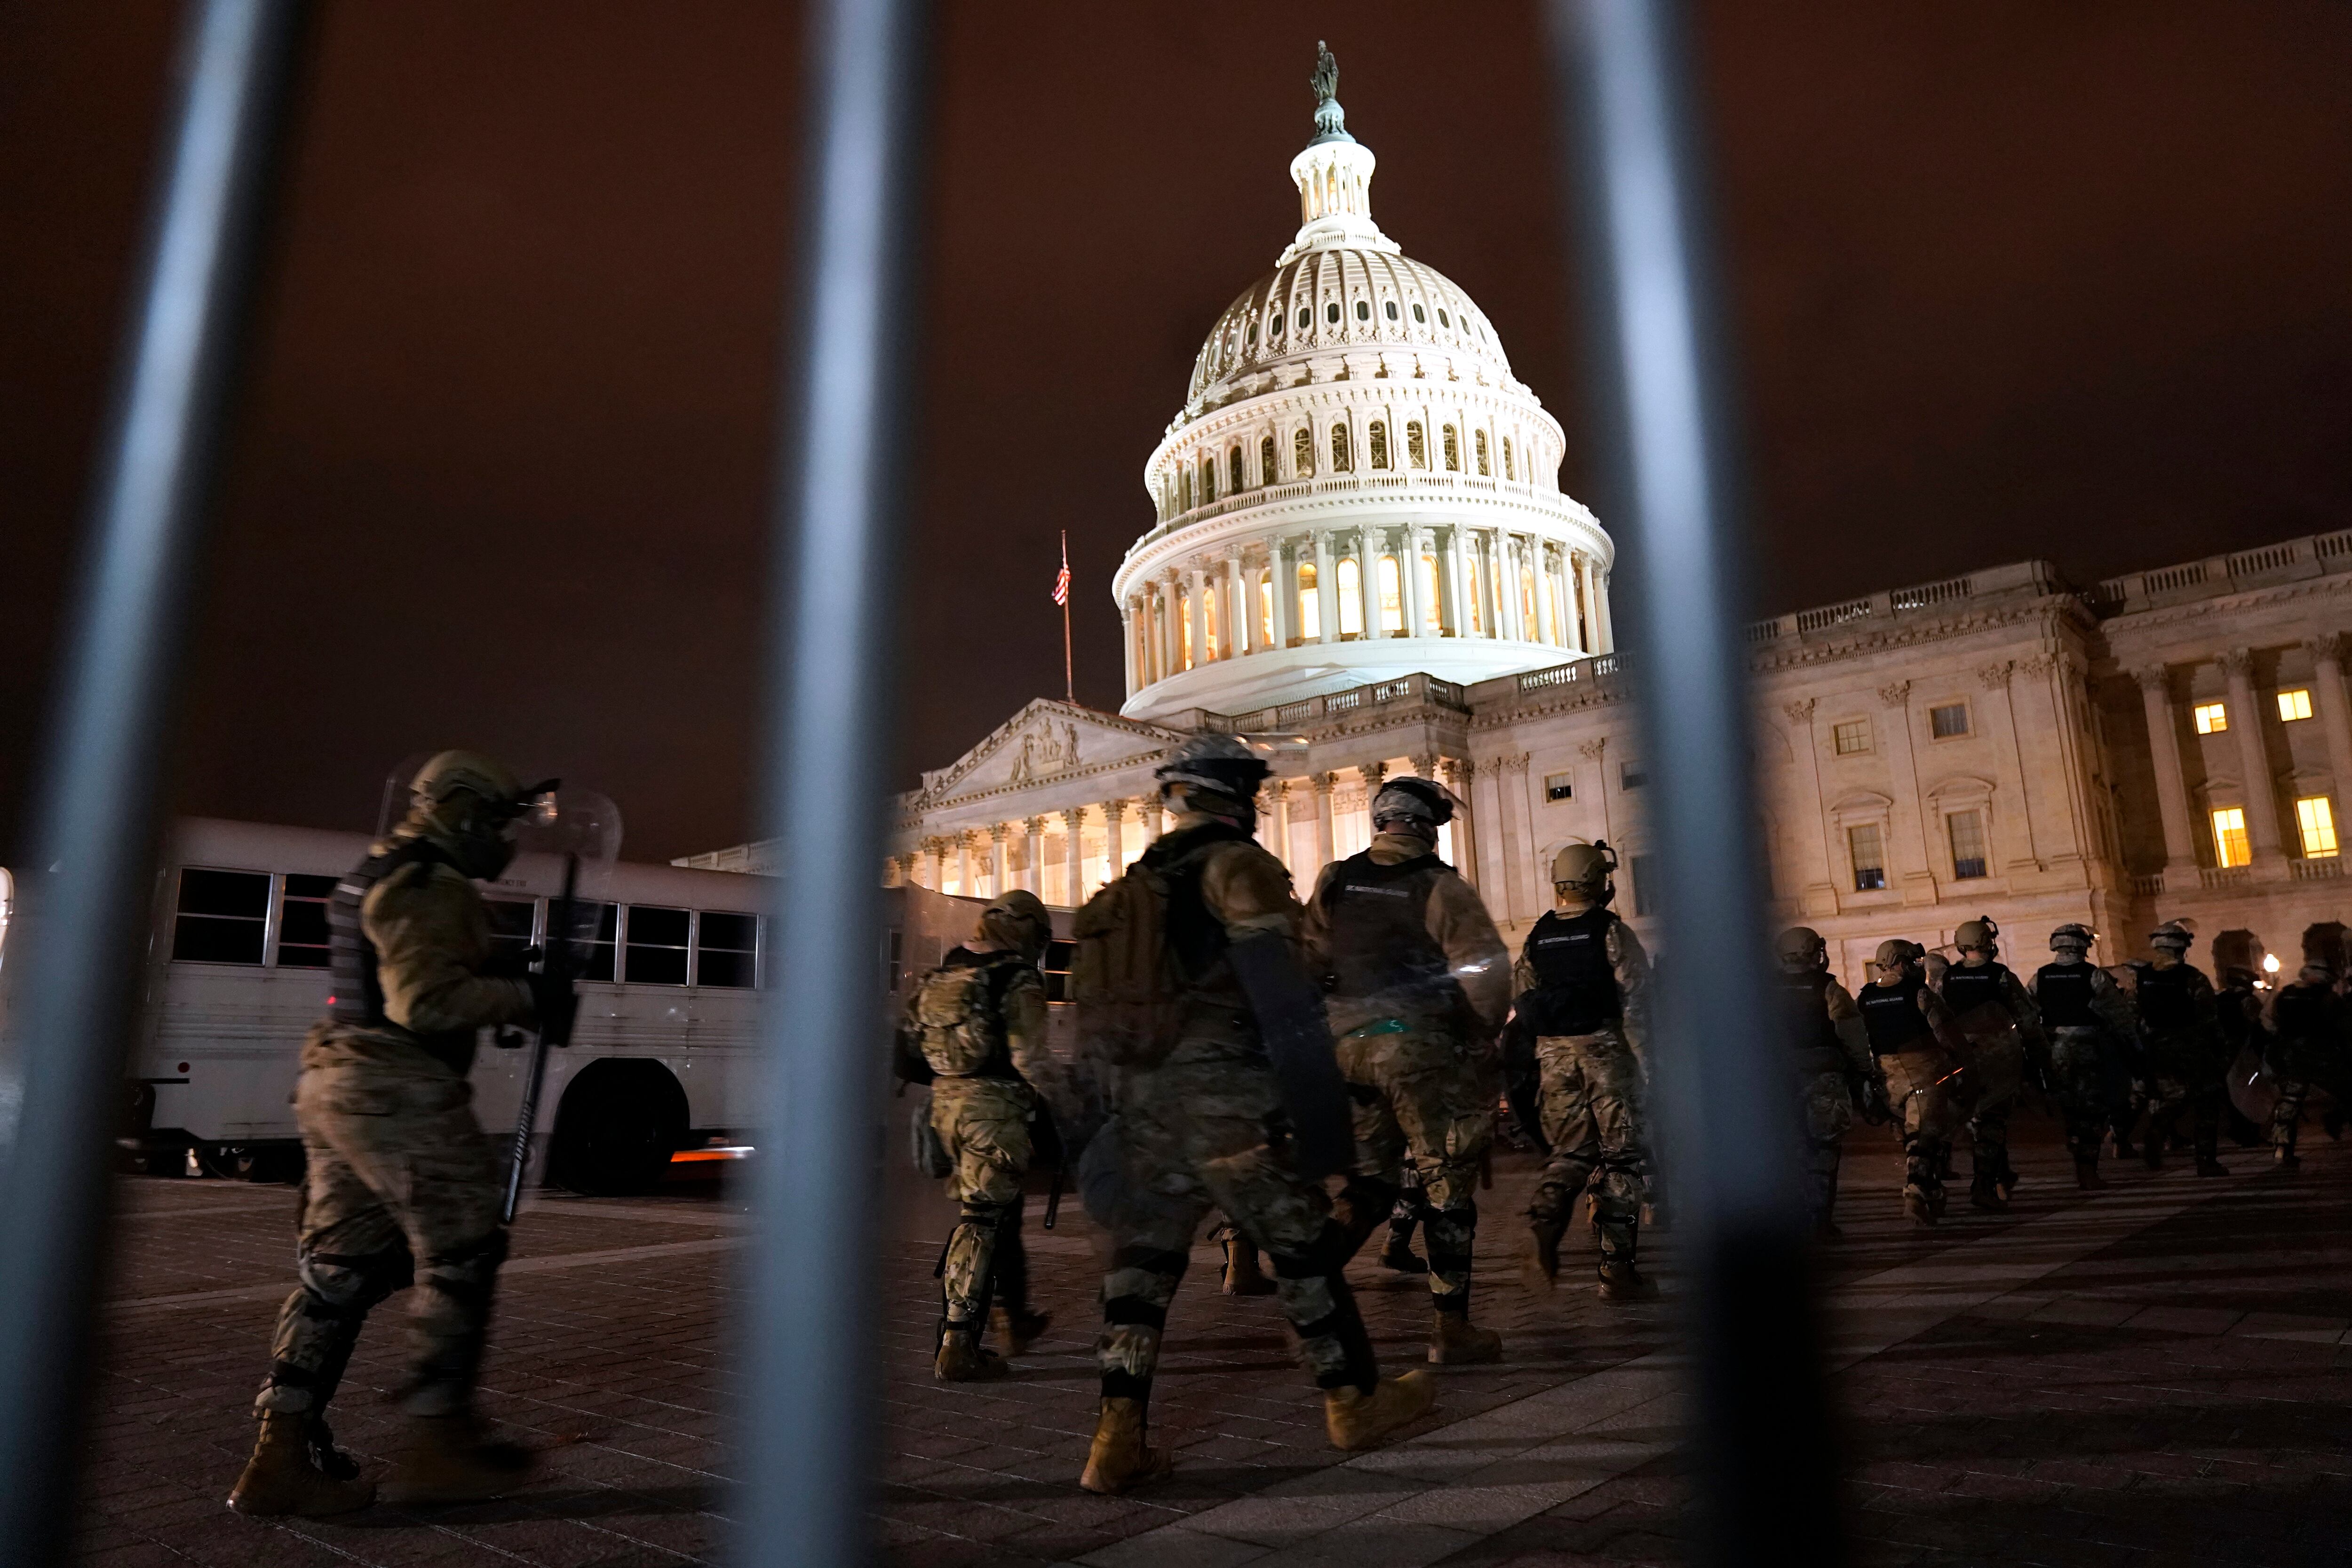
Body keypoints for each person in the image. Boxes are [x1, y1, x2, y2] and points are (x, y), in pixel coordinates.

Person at [1075, 734, 1431, 1494]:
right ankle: (1353, 1399)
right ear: (1238, 794)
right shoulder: (1237, 867)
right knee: (1302, 1247)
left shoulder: (1139, 880)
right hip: (1225, 1098)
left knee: (1141, 1267)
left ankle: (1115, 1440)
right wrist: (1323, 1117)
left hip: (1147, 1101)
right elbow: (1283, 996)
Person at [229, 752, 562, 1517]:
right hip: (396, 1086)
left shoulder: (379, 868)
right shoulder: (432, 879)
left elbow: (394, 976)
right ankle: (439, 1441)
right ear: (463, 810)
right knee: (464, 1249)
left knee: (336, 1272)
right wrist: (528, 994)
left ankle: (279, 1453)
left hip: (338, 1079)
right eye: (498, 819)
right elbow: (427, 1003)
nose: (504, 838)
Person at [1303, 776, 1513, 1363]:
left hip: (1348, 1049)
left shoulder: (1335, 878)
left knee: (1370, 1184)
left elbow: (1308, 954)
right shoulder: (1439, 886)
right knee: (1446, 1187)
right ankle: (1451, 1330)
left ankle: (1312, 1286)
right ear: (1425, 827)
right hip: (1418, 1049)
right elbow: (1487, 975)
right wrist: (1480, 1033)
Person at [901, 888, 1057, 1381]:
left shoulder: (943, 974)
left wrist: (953, 1085)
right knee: (982, 1220)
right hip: (994, 1114)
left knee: (997, 1215)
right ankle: (957, 1344)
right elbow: (1032, 1060)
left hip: (945, 1110)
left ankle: (1013, 1319)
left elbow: (905, 1052)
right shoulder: (1016, 979)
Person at [1514, 841, 1656, 1299]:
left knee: (1569, 1153)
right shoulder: (1609, 930)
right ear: (1599, 880)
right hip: (1604, 1051)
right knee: (1620, 1158)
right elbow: (1636, 1000)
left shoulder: (1537, 935)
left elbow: (1523, 996)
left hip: (1553, 1057)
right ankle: (1617, 1270)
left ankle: (1543, 1222)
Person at [1774, 927, 1887, 1236]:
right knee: (1823, 1149)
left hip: (1778, 1081)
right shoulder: (1828, 988)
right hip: (1823, 1076)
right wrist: (1866, 1071)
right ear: (1811, 951)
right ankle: (1819, 1219)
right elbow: (1852, 1034)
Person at [1855, 939, 1975, 1225]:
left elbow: (1859, 1038)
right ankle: (1916, 1192)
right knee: (1926, 1136)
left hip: (1886, 1076)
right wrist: (1964, 1063)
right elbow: (1946, 1032)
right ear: (1900, 962)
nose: (1918, 967)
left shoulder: (1865, 997)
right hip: (1924, 1070)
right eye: (1914, 962)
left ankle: (1931, 1191)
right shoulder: (1919, 993)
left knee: (1912, 1137)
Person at [1934, 917, 2050, 1212]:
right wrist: (2041, 1057)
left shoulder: (1945, 979)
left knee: (1974, 1121)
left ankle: (1999, 1175)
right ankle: (1985, 1186)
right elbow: (2026, 1020)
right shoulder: (2000, 976)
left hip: (1960, 1058)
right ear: (1989, 942)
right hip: (1997, 1056)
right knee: (1993, 1122)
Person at [2028, 923, 2142, 1189]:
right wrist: (2135, 1049)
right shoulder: (2094, 976)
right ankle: (2087, 1171)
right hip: (2089, 1050)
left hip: (2055, 1051)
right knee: (2092, 1110)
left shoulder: (2040, 977)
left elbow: (2027, 1013)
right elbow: (2120, 1017)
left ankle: (2077, 1148)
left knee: (2068, 1109)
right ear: (2083, 946)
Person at [2126, 921, 2228, 1176]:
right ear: (2182, 948)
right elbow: (2209, 1017)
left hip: (2155, 1048)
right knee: (2206, 1101)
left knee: (2173, 1096)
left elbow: (2131, 1013)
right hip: (2190, 1046)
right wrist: (2220, 1049)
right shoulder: (2193, 977)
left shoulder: (2142, 978)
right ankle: (2206, 1161)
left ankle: (2159, 1127)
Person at [2266, 961, 2351, 1169]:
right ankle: (2336, 1119)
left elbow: (2271, 1020)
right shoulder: (2328, 998)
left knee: (2290, 1102)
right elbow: (2343, 1027)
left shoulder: (2285, 994)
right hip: (2321, 1055)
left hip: (2290, 1057)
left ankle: (2283, 1149)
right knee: (2348, 1092)